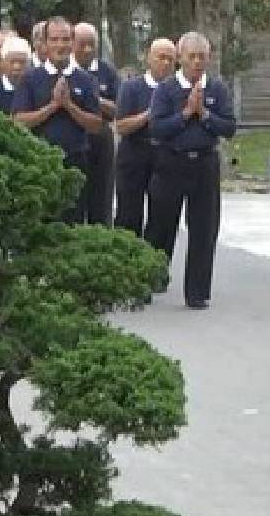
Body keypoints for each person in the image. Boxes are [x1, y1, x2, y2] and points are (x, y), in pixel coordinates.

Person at [145, 32, 235, 309]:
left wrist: (205, 115)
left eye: (202, 57)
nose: (197, 62)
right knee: (161, 224)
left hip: (205, 164)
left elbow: (229, 127)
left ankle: (197, 292)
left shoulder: (217, 89)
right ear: (180, 58)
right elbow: (156, 127)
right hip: (171, 162)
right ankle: (150, 280)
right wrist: (185, 114)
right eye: (191, 57)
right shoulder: (166, 90)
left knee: (204, 228)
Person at [11, 17, 102, 224]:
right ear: (44, 43)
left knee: (73, 221)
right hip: (39, 162)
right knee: (40, 222)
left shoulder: (85, 79)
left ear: (72, 42)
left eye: (65, 39)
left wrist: (69, 106)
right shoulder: (30, 78)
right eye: (54, 39)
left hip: (75, 161)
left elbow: (96, 124)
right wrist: (52, 106)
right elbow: (19, 120)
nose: (60, 45)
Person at [114, 37, 176, 238]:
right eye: (161, 57)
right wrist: (149, 115)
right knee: (129, 216)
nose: (165, 63)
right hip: (134, 155)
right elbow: (121, 127)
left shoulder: (177, 90)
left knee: (161, 219)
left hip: (165, 157)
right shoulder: (132, 87)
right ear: (149, 58)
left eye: (170, 59)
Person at [73, 22, 120, 226]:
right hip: (74, 137)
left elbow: (119, 108)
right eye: (82, 44)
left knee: (101, 197)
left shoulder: (106, 71)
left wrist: (93, 100)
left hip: (101, 137)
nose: (87, 50)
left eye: (92, 44)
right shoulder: (66, 70)